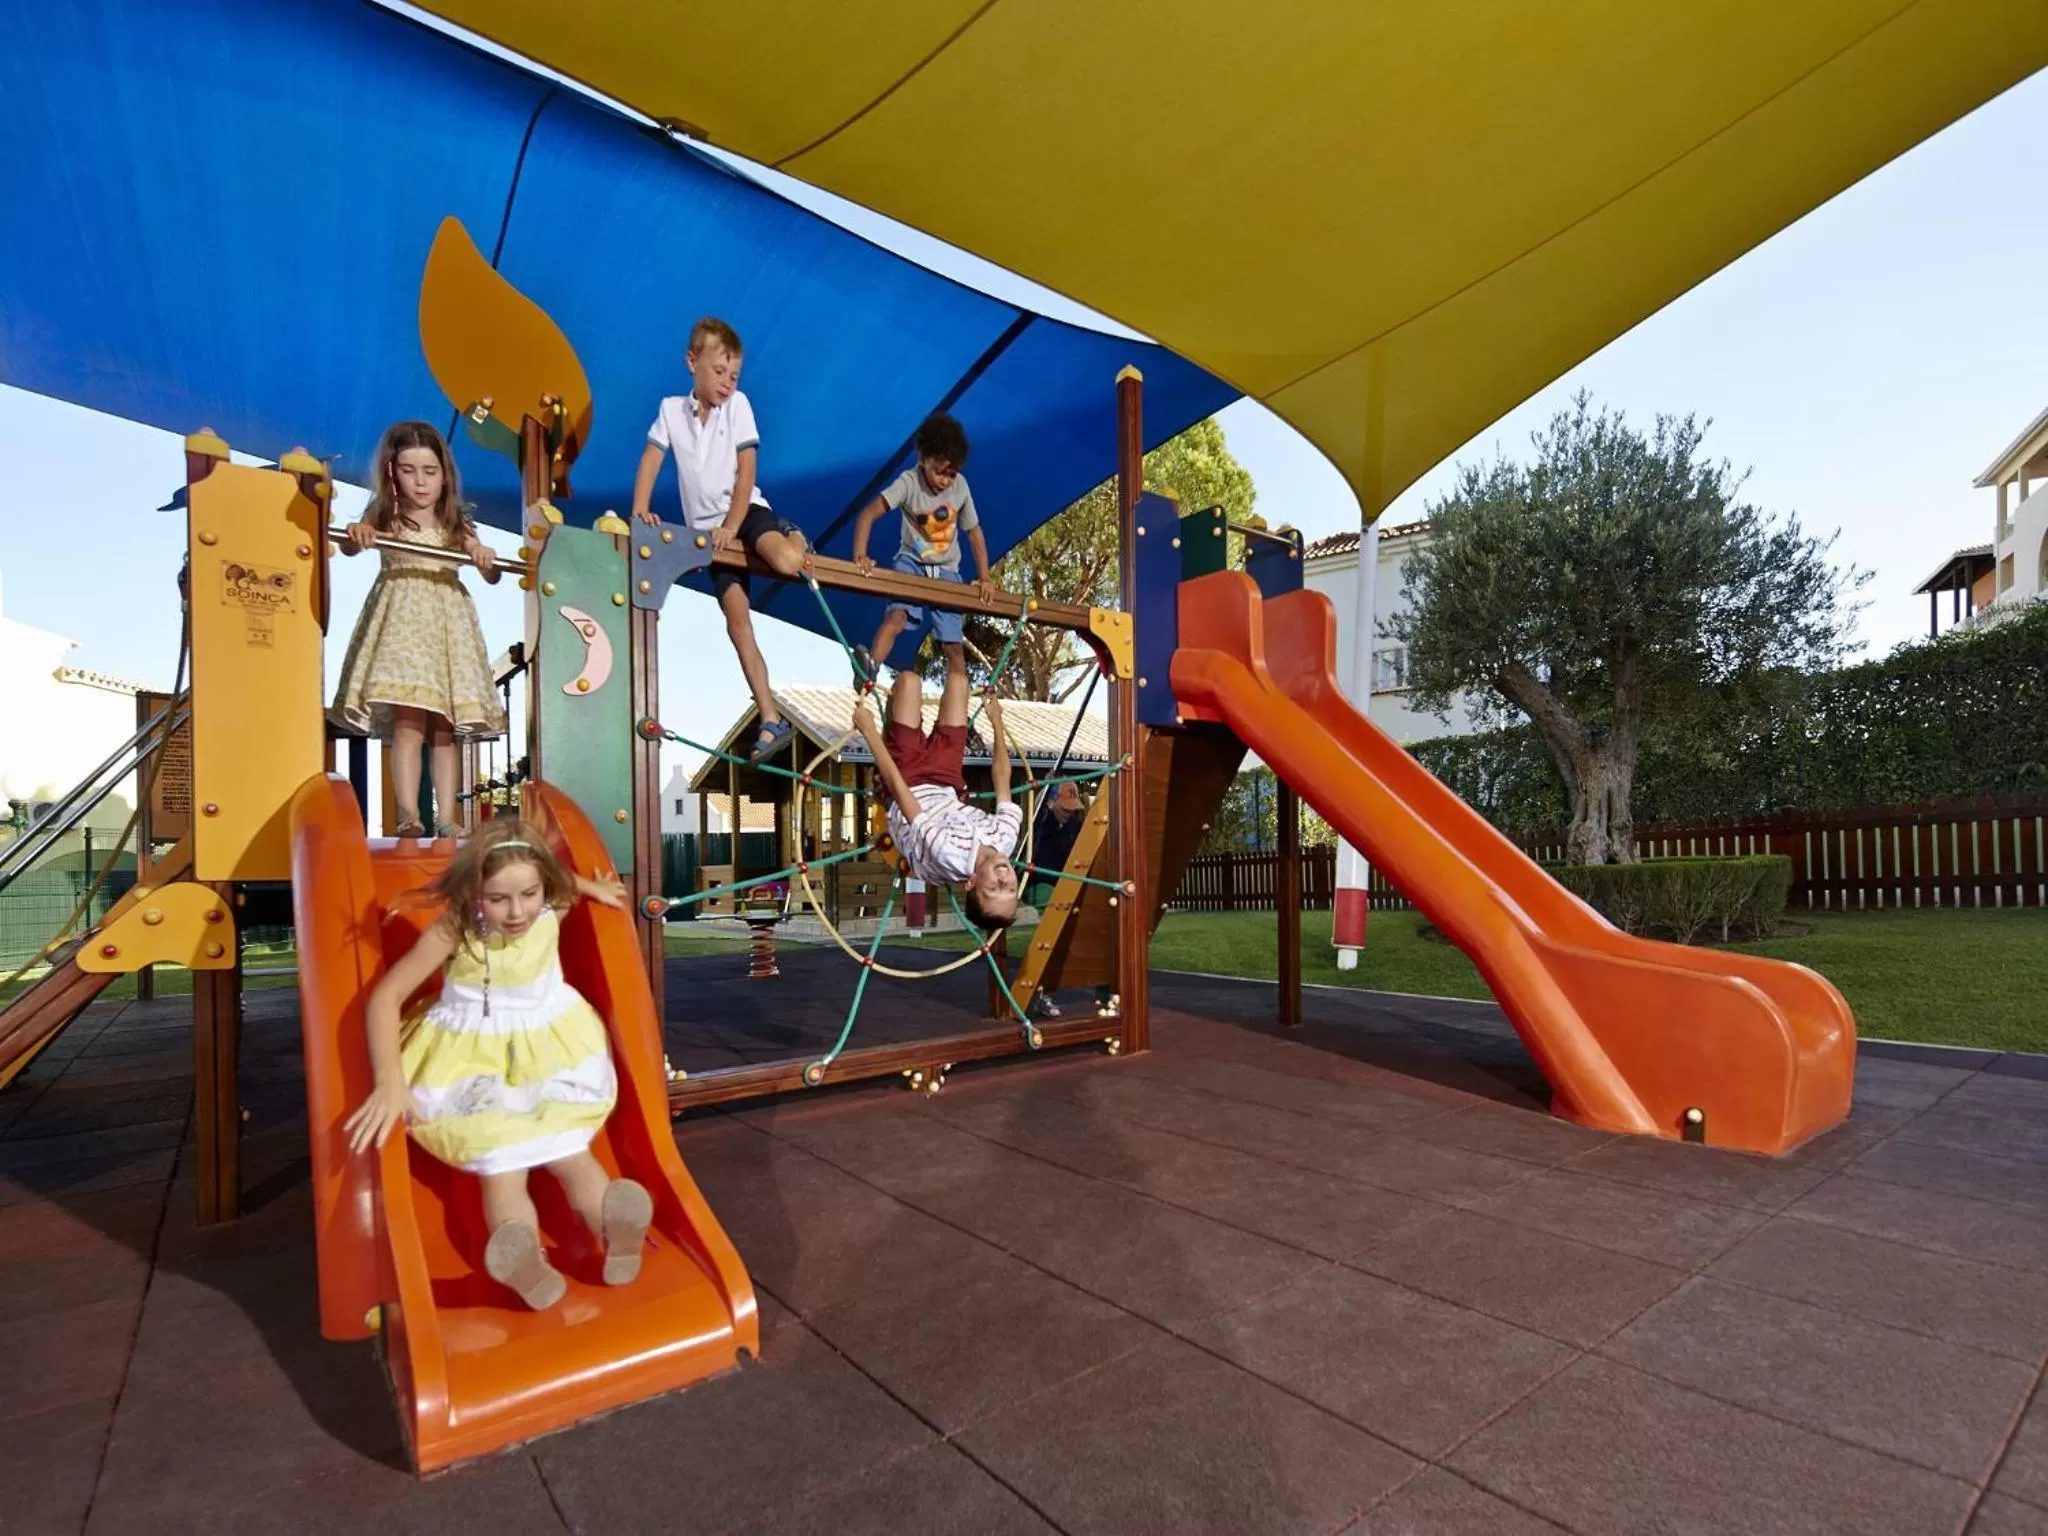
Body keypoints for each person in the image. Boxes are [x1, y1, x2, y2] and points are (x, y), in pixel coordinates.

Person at [343, 819, 651, 1311]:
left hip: (547, 1050)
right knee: (505, 1164)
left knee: (568, 1151)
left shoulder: (552, 903)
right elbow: (386, 997)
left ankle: (613, 1231)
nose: (517, 912)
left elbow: (562, 882)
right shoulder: (455, 929)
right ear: (472, 892)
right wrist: (389, 1082)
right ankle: (528, 1257)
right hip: (472, 1060)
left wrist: (595, 887)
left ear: (542, 887)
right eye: (498, 899)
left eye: (528, 894)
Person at [630, 316, 809, 763]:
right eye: (719, 372)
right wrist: (639, 510)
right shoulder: (671, 410)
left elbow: (747, 473)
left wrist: (733, 524)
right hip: (711, 533)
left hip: (746, 512)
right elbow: (651, 459)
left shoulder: (739, 406)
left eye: (734, 374)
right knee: (735, 621)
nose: (727, 382)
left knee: (787, 563)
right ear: (693, 362)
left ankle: (796, 533)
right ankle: (770, 717)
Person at [331, 421, 507, 837]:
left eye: (429, 471)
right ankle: (408, 813)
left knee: (444, 728)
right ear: (393, 472)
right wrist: (357, 535)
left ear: (444, 475)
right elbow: (351, 543)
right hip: (405, 624)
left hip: (445, 626)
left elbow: (491, 573)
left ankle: (447, 817)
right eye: (409, 470)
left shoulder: (454, 522)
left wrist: (483, 555)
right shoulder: (386, 514)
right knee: (409, 722)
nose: (421, 482)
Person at [852, 670, 1021, 932]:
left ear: (971, 882)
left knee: (909, 681)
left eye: (993, 888)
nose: (1004, 879)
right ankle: (897, 712)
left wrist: (869, 731)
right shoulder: (1006, 838)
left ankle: (891, 718)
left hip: (908, 782)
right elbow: (1001, 776)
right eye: (1010, 888)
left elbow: (899, 789)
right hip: (947, 782)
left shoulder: (948, 853)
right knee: (959, 681)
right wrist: (997, 721)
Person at [851, 413, 992, 683]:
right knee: (896, 617)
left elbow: (974, 534)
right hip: (911, 562)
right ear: (923, 459)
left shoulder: (961, 487)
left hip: (947, 568)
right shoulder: (908, 482)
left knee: (953, 645)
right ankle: (869, 669)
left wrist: (984, 578)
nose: (945, 481)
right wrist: (861, 556)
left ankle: (959, 702)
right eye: (940, 472)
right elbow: (868, 514)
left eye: (952, 474)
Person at [1023, 780, 1087, 1017]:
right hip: (1041, 883)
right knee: (1051, 925)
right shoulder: (1040, 824)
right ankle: (1041, 992)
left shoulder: (1075, 827)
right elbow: (1036, 812)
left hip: (1065, 884)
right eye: (1064, 807)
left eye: (1073, 808)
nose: (1069, 813)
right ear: (1051, 803)